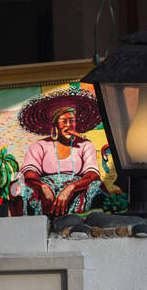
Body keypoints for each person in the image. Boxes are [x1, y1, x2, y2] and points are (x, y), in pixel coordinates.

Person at [10, 87, 116, 218]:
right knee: (18, 187)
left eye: (72, 121)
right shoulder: (40, 146)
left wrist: (70, 189)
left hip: (76, 195)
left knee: (97, 186)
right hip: (45, 198)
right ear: (55, 126)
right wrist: (43, 187)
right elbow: (29, 173)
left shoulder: (85, 145)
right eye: (64, 121)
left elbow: (92, 175)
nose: (69, 125)